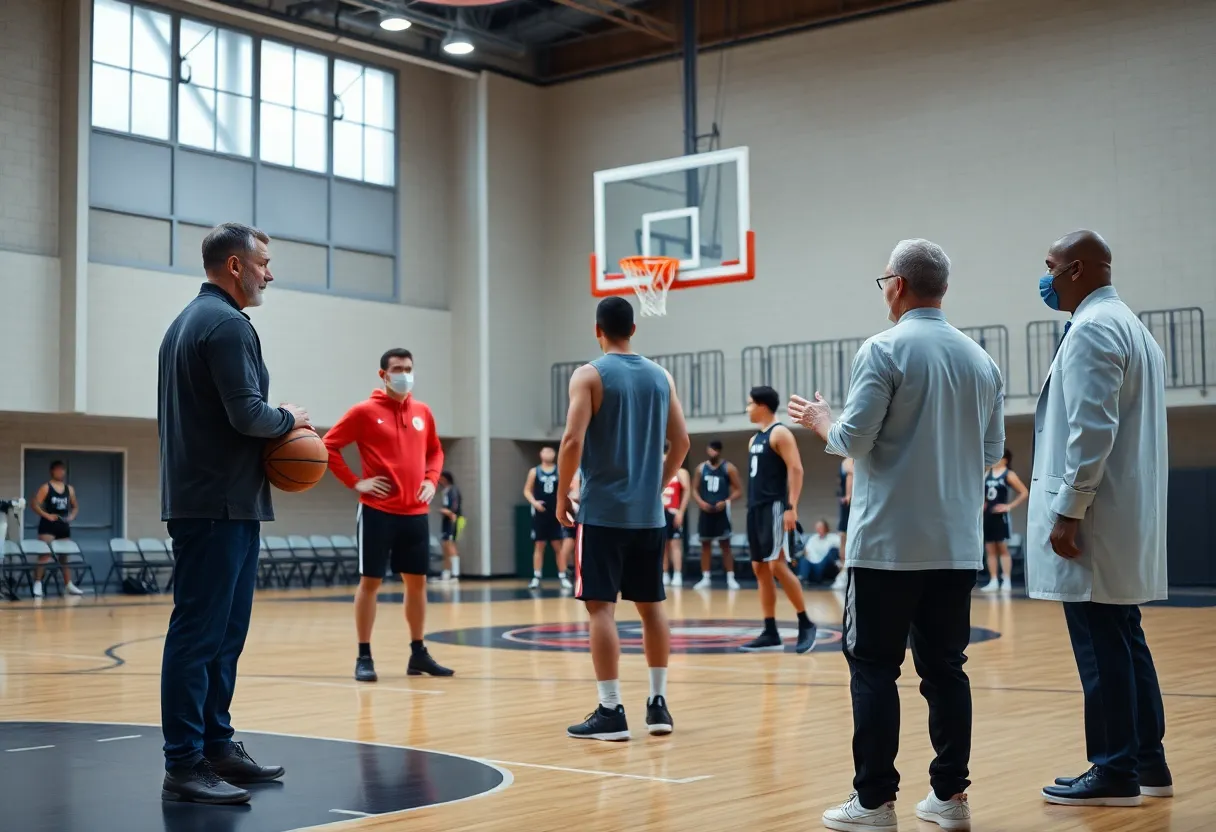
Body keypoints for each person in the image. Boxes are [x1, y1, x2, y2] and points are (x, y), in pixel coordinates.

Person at [789, 238, 1004, 832]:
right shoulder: (981, 361)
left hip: (886, 548)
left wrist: (820, 419)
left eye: (882, 279)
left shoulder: (882, 349)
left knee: (874, 671)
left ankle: (875, 802)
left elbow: (851, 442)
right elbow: (990, 453)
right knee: (946, 671)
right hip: (955, 546)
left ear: (897, 284)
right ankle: (951, 798)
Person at [158, 222, 310, 804]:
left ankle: (216, 744)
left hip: (222, 501)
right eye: (265, 262)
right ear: (236, 266)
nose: (271, 272)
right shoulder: (224, 324)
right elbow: (248, 414)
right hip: (215, 503)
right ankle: (184, 762)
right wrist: (289, 418)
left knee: (224, 635)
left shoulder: (188, 323)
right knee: (199, 635)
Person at [1027, 230, 1171, 807]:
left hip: (1095, 516)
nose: (1045, 279)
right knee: (1124, 636)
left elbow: (1091, 432)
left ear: (1079, 269)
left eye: (1051, 267)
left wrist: (1068, 511)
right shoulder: (1134, 328)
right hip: (1120, 512)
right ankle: (1147, 761)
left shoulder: (1091, 330)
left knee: (1101, 644)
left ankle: (1113, 770)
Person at [555, 296, 689, 741]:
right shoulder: (660, 376)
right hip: (648, 515)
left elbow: (573, 439)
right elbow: (682, 441)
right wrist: (658, 483)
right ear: (633, 329)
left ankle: (611, 710)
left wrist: (561, 494)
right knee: (653, 609)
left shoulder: (589, 375)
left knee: (601, 608)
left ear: (598, 330)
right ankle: (658, 705)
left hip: (603, 513)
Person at [323, 348, 454, 684]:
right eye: (397, 368)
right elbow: (328, 446)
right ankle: (364, 655)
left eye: (409, 368)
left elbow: (435, 450)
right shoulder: (364, 412)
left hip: (415, 513)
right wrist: (356, 482)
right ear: (383, 374)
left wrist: (430, 479)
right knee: (371, 583)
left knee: (418, 584)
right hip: (377, 512)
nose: (404, 374)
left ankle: (418, 653)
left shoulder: (423, 411)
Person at [739, 386, 817, 654]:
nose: (747, 408)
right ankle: (770, 631)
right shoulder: (754, 439)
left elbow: (796, 469)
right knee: (760, 569)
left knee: (777, 566)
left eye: (750, 403)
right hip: (755, 509)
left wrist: (791, 507)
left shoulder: (780, 432)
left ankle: (806, 623)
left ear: (762, 405)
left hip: (774, 508)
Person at [692, 440, 742, 590]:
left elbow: (739, 490)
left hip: (721, 512)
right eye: (710, 450)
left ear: (719, 451)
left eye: (715, 450)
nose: (713, 452)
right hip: (705, 511)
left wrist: (726, 501)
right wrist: (700, 503)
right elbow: (694, 489)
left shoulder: (729, 468)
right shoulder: (701, 469)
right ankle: (705, 578)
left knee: (725, 545)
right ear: (707, 450)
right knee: (705, 545)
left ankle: (731, 578)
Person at [30, 460, 83, 597]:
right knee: (45, 554)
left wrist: (72, 516)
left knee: (64, 556)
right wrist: (47, 515)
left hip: (63, 525)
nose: (61, 472)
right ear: (52, 471)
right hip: (48, 525)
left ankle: (68, 585)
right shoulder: (46, 487)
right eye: (58, 469)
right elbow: (34, 504)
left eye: (62, 470)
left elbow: (75, 506)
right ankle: (37, 583)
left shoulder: (69, 489)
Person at [523, 446, 573, 590]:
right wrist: (534, 503)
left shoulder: (559, 470)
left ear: (555, 454)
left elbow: (567, 488)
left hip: (555, 514)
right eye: (545, 451)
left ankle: (563, 576)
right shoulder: (534, 471)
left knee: (558, 546)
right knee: (539, 545)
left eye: (551, 451)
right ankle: (536, 576)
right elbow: (526, 490)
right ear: (540, 454)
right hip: (540, 514)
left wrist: (563, 502)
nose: (548, 454)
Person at [980, 449, 1027, 593]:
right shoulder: (987, 473)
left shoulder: (1009, 474)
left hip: (1001, 517)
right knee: (989, 549)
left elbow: (1024, 492)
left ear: (1006, 459)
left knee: (1002, 548)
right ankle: (993, 580)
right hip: (988, 515)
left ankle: (1006, 579)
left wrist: (1009, 506)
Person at [661, 443, 691, 587]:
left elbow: (687, 491)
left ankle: (677, 574)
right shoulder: (657, 469)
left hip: (674, 510)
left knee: (675, 544)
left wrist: (681, 511)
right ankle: (664, 573)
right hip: (660, 511)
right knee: (662, 544)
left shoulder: (680, 471)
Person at [831, 458, 854, 589]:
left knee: (845, 536)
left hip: (851, 502)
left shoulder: (851, 461)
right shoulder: (847, 461)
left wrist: (848, 495)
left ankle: (846, 572)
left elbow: (851, 475)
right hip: (847, 504)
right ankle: (844, 572)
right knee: (843, 536)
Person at [798, 520, 841, 585]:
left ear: (826, 528)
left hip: (826, 565)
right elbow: (806, 551)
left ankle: (815, 577)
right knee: (804, 560)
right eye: (817, 527)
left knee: (832, 551)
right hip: (813, 564)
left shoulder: (834, 538)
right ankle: (803, 578)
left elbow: (841, 549)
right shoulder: (813, 538)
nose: (818, 529)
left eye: (820, 527)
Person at [437, 471, 462, 583]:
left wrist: (449, 512)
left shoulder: (453, 490)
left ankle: (455, 574)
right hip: (446, 521)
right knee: (445, 546)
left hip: (452, 521)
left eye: (441, 478)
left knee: (451, 546)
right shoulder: (445, 491)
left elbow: (455, 507)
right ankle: (446, 573)